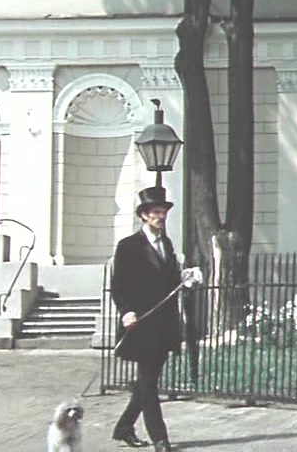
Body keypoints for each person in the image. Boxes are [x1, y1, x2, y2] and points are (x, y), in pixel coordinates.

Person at [111, 186, 181, 452]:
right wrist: (126, 311)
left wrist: (186, 279)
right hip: (140, 324)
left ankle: (123, 428)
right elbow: (119, 285)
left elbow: (171, 282)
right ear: (144, 215)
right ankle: (160, 439)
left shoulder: (167, 244)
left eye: (163, 212)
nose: (160, 217)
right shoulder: (128, 246)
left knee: (146, 382)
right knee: (149, 383)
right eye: (155, 212)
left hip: (164, 325)